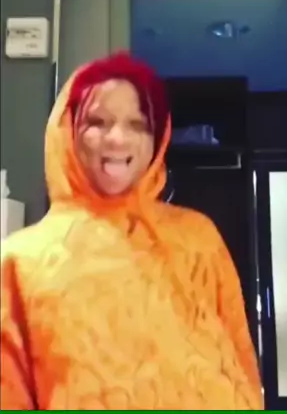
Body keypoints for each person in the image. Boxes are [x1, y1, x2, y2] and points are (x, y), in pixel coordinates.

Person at [0, 52, 264, 410]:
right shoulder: (18, 263)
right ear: (67, 131)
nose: (118, 139)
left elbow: (241, 363)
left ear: (158, 139)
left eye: (138, 124)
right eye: (97, 122)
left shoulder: (198, 237)